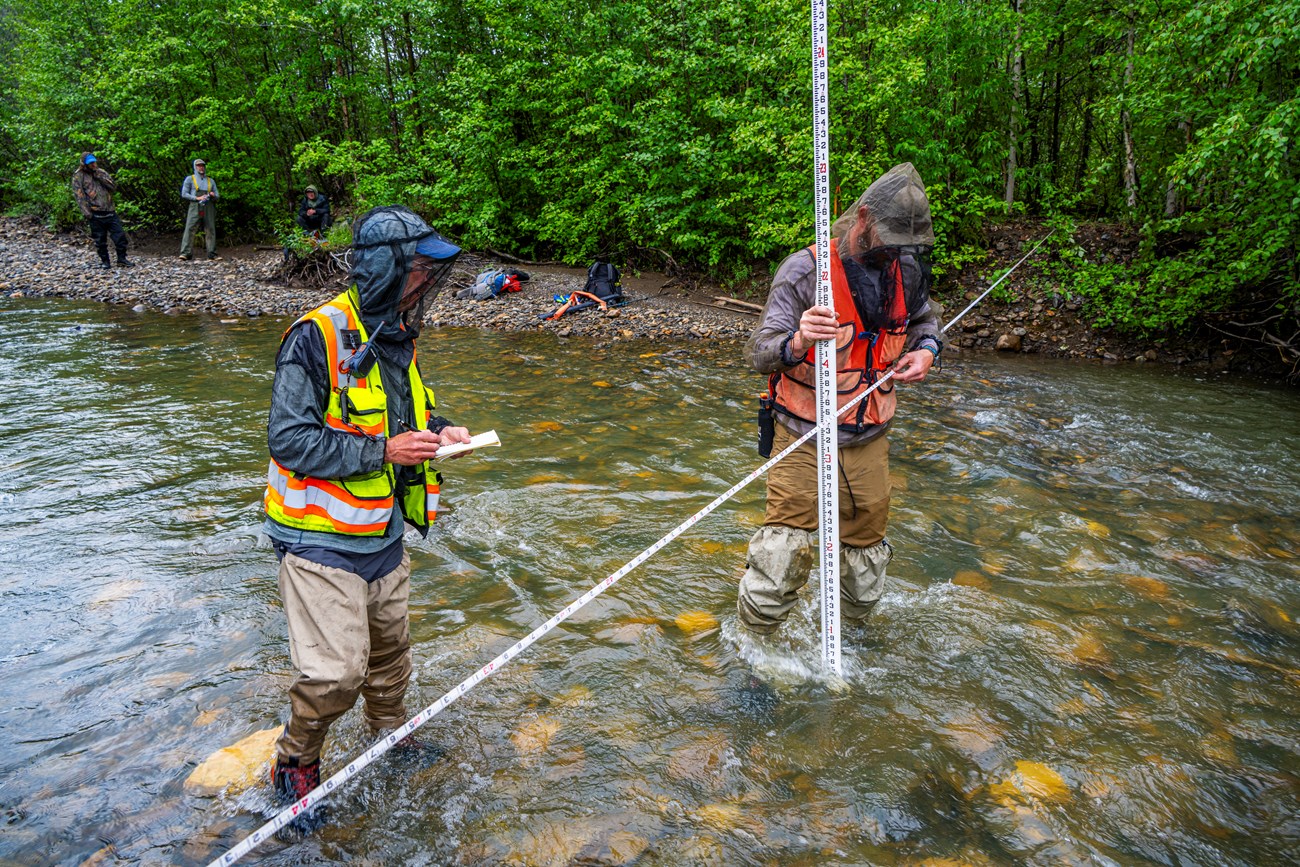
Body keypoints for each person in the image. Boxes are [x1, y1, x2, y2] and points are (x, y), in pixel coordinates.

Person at [262, 205, 471, 826]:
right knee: (335, 674)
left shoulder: (395, 332)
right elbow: (289, 440)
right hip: (317, 537)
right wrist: (385, 452)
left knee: (390, 659)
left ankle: (390, 737)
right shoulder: (315, 337)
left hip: (382, 531)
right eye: (420, 268)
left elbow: (404, 413)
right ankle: (296, 760)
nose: (429, 281)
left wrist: (439, 429)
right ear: (387, 268)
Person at [737, 163, 943, 635]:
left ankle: (853, 637)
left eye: (904, 245)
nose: (894, 252)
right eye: (888, 239)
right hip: (801, 435)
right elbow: (759, 352)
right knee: (782, 556)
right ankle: (754, 652)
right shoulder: (805, 270)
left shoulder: (906, 271)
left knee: (864, 562)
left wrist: (928, 350)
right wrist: (798, 340)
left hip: (870, 438)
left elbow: (925, 323)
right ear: (864, 219)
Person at [72, 153, 131, 270]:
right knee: (100, 240)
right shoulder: (78, 176)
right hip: (94, 212)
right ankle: (105, 262)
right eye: (90, 163)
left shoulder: (101, 172)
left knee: (120, 236)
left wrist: (99, 176)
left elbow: (113, 187)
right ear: (84, 164)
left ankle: (122, 259)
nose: (93, 164)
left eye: (94, 162)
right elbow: (79, 196)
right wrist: (87, 213)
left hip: (109, 210)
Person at [178, 158, 219, 260]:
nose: (201, 167)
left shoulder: (211, 181)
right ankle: (185, 253)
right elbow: (184, 194)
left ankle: (212, 254)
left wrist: (213, 195)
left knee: (210, 229)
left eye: (202, 166)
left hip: (208, 206)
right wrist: (197, 198)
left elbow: (218, 196)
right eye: (199, 166)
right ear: (195, 167)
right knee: (190, 228)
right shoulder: (189, 179)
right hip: (195, 205)